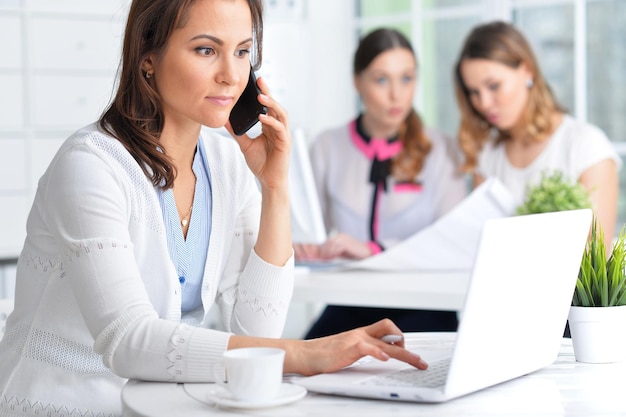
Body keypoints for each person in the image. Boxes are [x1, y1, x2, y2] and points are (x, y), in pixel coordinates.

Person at [0, 2, 428, 416]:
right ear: (147, 56)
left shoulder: (227, 166)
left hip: (165, 407)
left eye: (242, 52)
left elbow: (255, 335)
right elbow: (127, 341)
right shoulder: (91, 166)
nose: (230, 75)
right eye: (206, 50)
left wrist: (275, 189)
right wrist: (304, 354)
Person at [294, 28, 468, 339]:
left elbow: (451, 241)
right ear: (357, 81)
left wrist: (373, 249)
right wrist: (303, 243)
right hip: (351, 303)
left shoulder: (443, 150)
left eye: (407, 78)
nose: (397, 95)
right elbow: (307, 229)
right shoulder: (327, 146)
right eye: (381, 79)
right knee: (298, 367)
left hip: (425, 306)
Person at [454, 21, 620, 247]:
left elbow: (597, 259)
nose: (483, 103)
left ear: (527, 71)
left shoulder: (586, 146)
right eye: (473, 92)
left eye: (493, 86)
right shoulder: (487, 158)